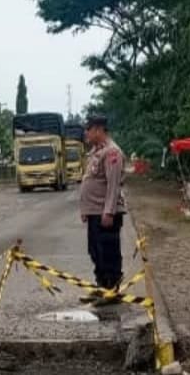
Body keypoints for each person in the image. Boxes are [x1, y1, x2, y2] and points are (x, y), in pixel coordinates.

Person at [78, 115, 126, 304]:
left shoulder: (112, 152)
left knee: (108, 252)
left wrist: (109, 211)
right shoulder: (96, 152)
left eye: (88, 129)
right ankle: (101, 286)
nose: (86, 133)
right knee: (95, 251)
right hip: (94, 211)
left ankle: (111, 290)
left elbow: (113, 185)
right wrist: (85, 209)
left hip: (104, 213)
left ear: (98, 130)